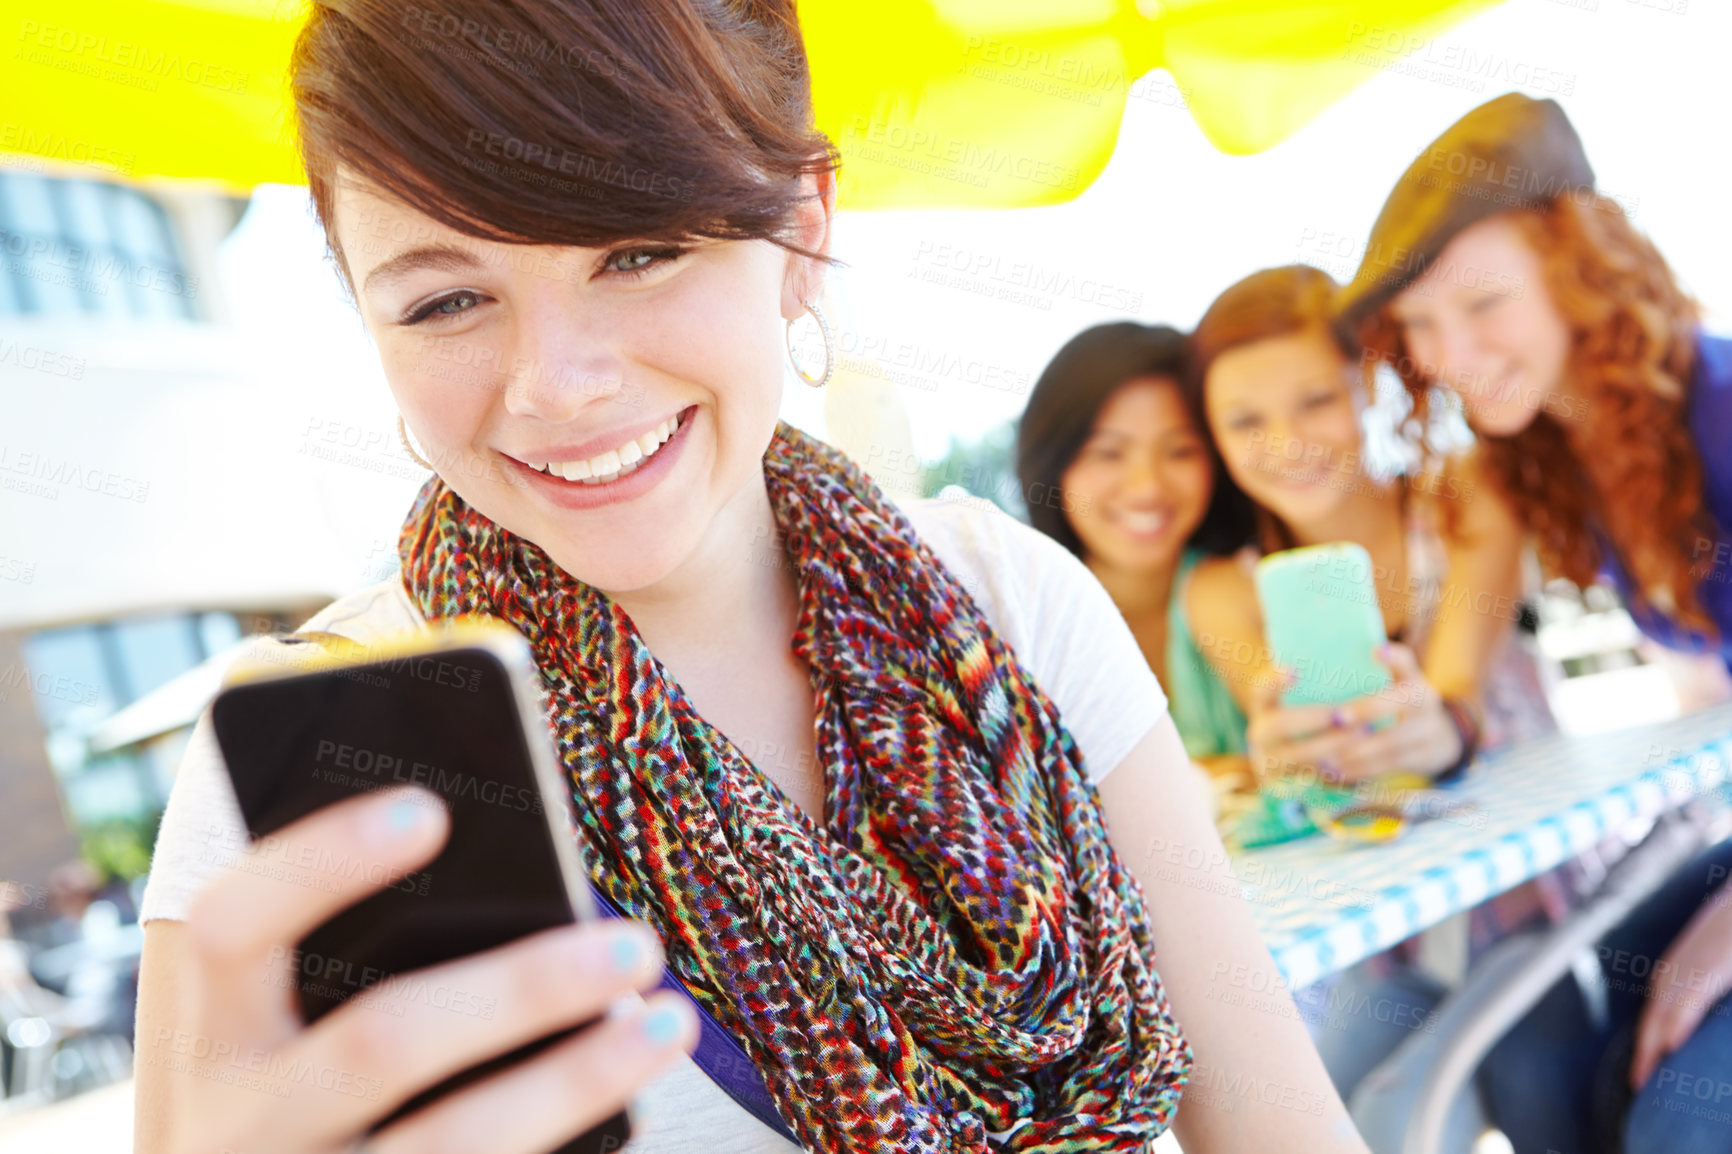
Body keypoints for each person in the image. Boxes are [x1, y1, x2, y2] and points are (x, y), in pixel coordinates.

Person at [132, 3, 1373, 1153]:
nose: (556, 383)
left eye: (639, 250)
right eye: (447, 298)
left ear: (803, 229)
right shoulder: (322, 772)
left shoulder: (1011, 603)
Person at [1338, 90, 1732, 1154]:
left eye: (1482, 305)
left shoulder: (1722, 406)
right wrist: (1411, 722)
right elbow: (1454, 687)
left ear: (1578, 265)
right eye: (1420, 326)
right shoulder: (1534, 459)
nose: (1452, 354)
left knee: (1670, 1122)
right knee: (1572, 1050)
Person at [1183, 263, 1552, 790]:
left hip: (1552, 828)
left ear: (1371, 387)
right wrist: (1291, 749)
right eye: (1246, 422)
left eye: (1318, 401)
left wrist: (1441, 730)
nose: (1289, 445)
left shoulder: (1466, 495)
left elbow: (1458, 692)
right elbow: (1321, 762)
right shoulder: (1222, 592)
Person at [1014, 322, 1253, 776]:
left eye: (1180, 450)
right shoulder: (1023, 633)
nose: (1147, 487)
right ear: (1053, 465)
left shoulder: (1245, 588)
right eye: (1108, 453)